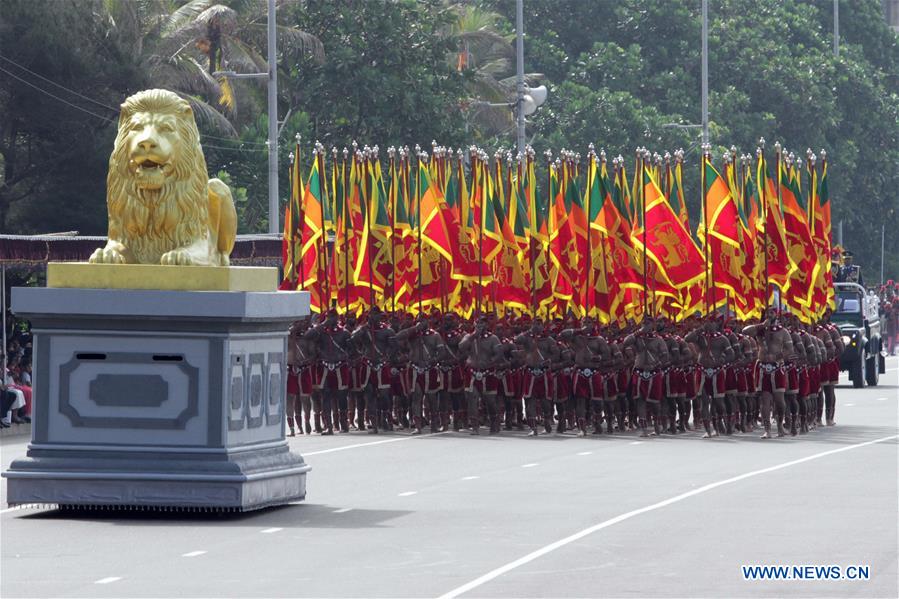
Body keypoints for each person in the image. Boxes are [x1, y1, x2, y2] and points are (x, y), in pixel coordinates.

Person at [743, 309, 793, 439]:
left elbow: (789, 349)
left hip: (777, 368)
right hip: (763, 368)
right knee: (765, 400)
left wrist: (778, 356)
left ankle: (780, 425)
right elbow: (744, 331)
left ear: (776, 315)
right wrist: (761, 325)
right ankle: (767, 429)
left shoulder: (783, 332)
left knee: (780, 401)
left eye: (771, 313)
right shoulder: (759, 330)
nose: (768, 315)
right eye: (767, 313)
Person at [623, 317, 669, 437]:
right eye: (644, 323)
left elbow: (665, 356)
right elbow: (625, 342)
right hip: (639, 372)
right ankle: (643, 429)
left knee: (655, 402)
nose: (646, 325)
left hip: (654, 372)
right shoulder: (637, 338)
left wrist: (656, 364)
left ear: (652, 325)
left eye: (648, 323)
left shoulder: (659, 340)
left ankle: (656, 426)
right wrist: (638, 332)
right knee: (640, 400)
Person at [458, 316, 504, 435]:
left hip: (488, 373)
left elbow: (499, 354)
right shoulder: (469, 337)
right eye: (478, 323)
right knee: (472, 399)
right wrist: (474, 335)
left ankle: (494, 422)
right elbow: (461, 347)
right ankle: (475, 426)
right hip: (472, 372)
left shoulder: (493, 338)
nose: (481, 325)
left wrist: (490, 362)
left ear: (487, 325)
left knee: (490, 401)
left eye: (483, 323)